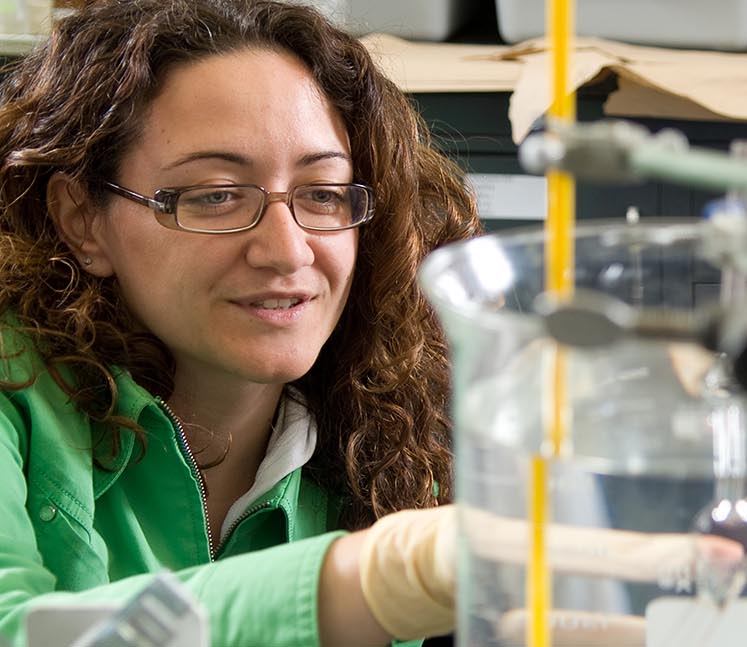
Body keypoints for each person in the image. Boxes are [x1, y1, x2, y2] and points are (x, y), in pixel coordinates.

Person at [0, 0, 482, 644]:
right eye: (215, 195)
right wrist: (375, 578)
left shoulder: (389, 437)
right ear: (82, 219)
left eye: (322, 194)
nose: (287, 250)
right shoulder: (12, 388)